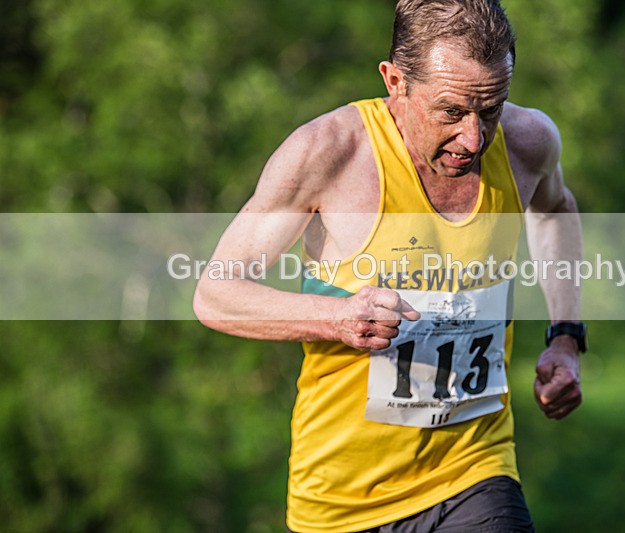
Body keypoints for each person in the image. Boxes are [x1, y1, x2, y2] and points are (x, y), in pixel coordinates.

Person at [194, 0, 586, 531]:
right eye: (451, 112)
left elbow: (555, 209)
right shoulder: (329, 153)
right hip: (342, 498)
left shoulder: (527, 142)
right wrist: (337, 319)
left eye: (490, 109)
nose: (473, 139)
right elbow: (216, 294)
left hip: (475, 468)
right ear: (395, 81)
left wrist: (565, 336)